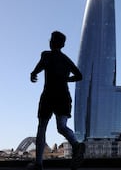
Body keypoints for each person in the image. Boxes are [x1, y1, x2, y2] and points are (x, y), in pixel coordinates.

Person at [27, 31, 85, 170]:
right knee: (62, 126)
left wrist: (34, 73)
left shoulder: (46, 55)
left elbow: (40, 66)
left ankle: (39, 163)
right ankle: (76, 146)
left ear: (52, 42)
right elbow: (79, 75)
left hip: (48, 96)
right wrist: (66, 79)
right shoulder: (66, 59)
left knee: (42, 127)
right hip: (63, 96)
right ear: (63, 45)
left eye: (51, 39)